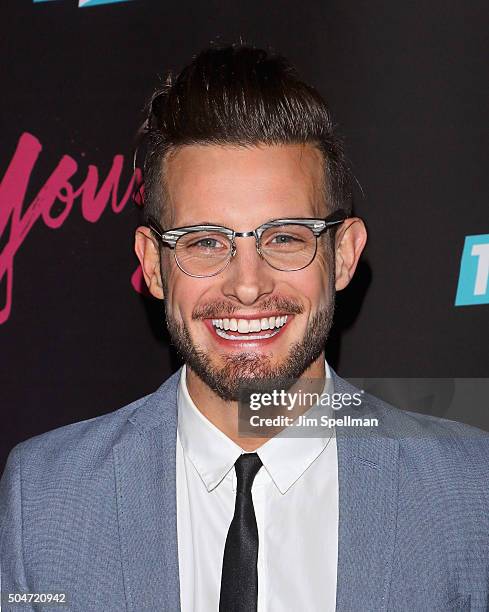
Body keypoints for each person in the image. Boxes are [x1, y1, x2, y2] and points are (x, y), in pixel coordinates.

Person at [1, 44, 488, 612]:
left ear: (345, 255)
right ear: (153, 265)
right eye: (206, 241)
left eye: (284, 237)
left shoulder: (469, 492)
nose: (248, 285)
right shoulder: (44, 498)